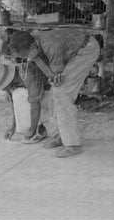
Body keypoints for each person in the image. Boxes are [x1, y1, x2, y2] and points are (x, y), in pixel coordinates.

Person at [9, 29, 100, 158]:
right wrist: (35, 57)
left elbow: (56, 78)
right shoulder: (35, 40)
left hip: (86, 50)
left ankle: (73, 144)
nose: (26, 59)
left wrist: (37, 59)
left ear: (31, 47)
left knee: (62, 94)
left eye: (25, 55)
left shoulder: (51, 46)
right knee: (54, 94)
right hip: (75, 48)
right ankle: (62, 136)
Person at [0, 59, 53, 144]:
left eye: (2, 86)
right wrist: (12, 128)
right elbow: (15, 106)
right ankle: (38, 127)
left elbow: (35, 103)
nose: (2, 89)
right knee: (16, 95)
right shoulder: (10, 80)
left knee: (20, 95)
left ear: (7, 80)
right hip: (38, 97)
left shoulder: (28, 74)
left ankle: (37, 128)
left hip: (50, 94)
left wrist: (31, 131)